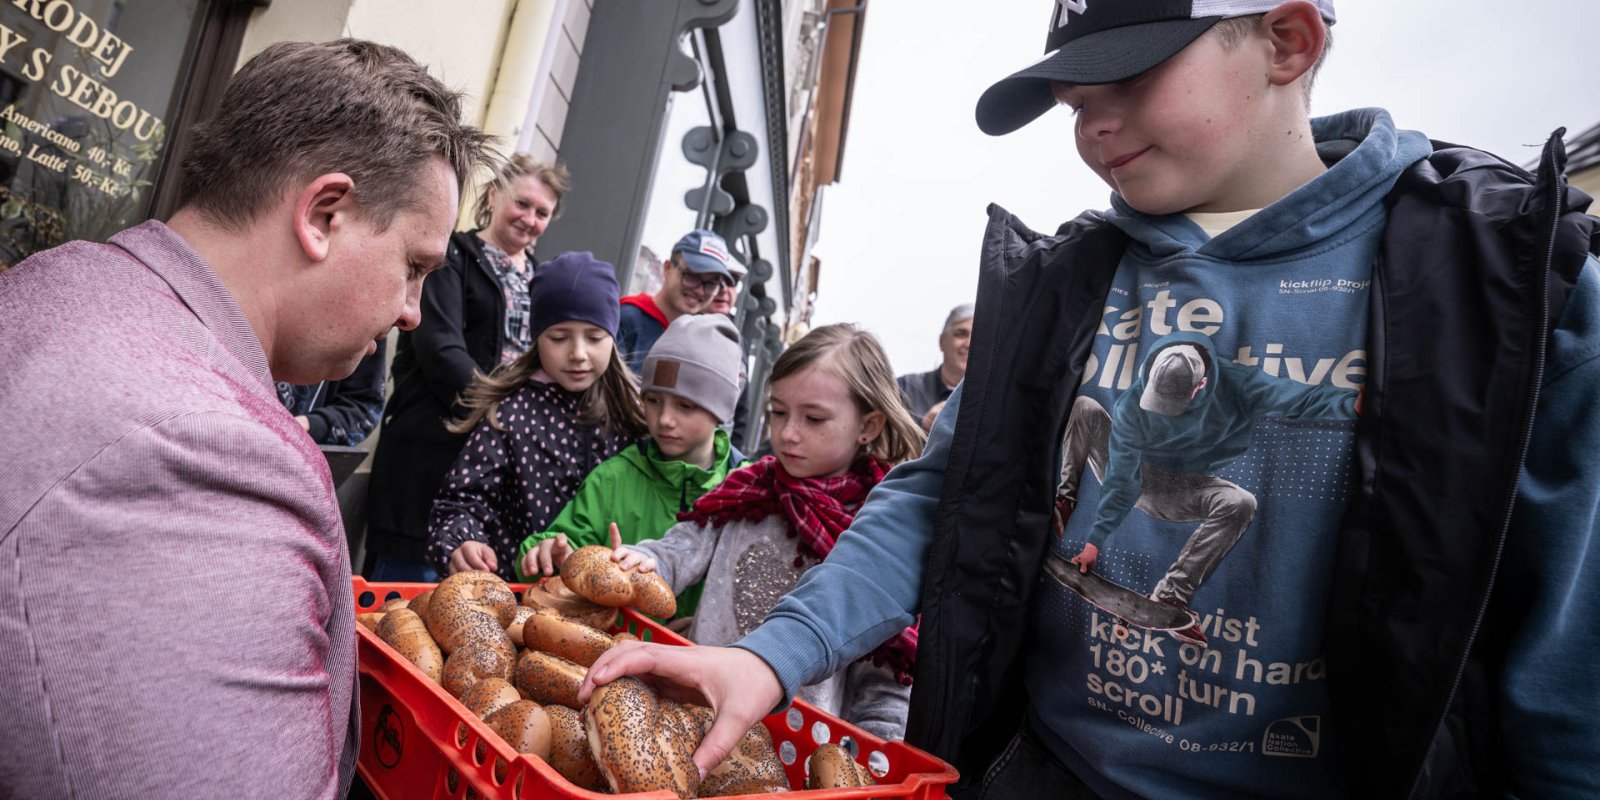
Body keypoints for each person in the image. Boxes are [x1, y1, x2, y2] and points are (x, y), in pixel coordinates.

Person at [577, 3, 1600, 798]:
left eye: (1131, 72)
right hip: (1042, 768)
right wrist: (771, 653)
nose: (1094, 123)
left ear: (1287, 39)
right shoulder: (1063, 282)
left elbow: (1566, 645)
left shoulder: (1500, 282)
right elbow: (940, 498)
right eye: (1072, 100)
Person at [0, 39, 490, 798]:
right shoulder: (209, 459)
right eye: (414, 267)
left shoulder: (60, 279)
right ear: (324, 213)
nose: (411, 312)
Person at [613, 323, 925, 740]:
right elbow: (680, 549)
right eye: (778, 412)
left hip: (796, 745)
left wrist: (878, 747)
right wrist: (646, 560)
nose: (788, 433)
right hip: (693, 713)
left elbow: (885, 678)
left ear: (868, 426)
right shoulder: (749, 488)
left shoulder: (877, 536)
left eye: (813, 418)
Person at [366, 154, 570, 581]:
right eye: (523, 203)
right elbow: (440, 351)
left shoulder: (541, 280)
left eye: (542, 213)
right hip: (430, 458)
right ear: (494, 195)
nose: (530, 219)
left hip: (490, 480)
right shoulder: (451, 257)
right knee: (402, 604)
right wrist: (508, 415)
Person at [426, 252, 646, 581]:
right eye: (559, 337)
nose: (578, 353)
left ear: (613, 338)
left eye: (595, 337)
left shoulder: (634, 418)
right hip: (517, 594)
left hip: (607, 597)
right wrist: (462, 539)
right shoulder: (510, 413)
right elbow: (462, 501)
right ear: (536, 339)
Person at [517, 314, 749, 618]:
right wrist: (548, 553)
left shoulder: (748, 492)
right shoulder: (612, 479)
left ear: (721, 408)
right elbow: (565, 545)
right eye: (653, 400)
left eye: (685, 405)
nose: (664, 419)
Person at [617, 229, 734, 373]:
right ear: (667, 268)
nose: (700, 291)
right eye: (692, 277)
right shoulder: (626, 319)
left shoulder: (703, 341)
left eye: (711, 283)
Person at [276, 346, 387, 445]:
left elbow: (365, 404)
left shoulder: (370, 337)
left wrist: (312, 424)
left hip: (298, 447)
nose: (371, 347)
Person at [895, 303, 972, 430]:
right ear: (942, 341)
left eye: (978, 338)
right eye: (961, 334)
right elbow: (883, 441)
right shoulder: (904, 388)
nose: (969, 344)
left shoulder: (993, 399)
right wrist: (923, 426)